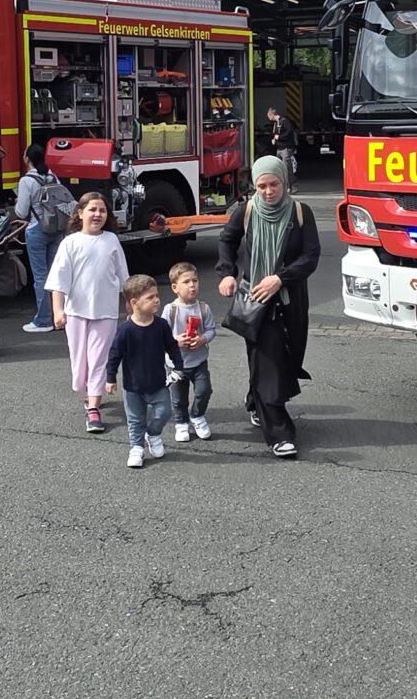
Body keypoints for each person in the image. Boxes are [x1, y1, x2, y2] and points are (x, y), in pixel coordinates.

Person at [217, 154, 319, 458]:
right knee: (268, 362)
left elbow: (311, 256)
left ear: (284, 182)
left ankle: (255, 400)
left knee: (288, 356)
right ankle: (279, 433)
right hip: (257, 299)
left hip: (291, 297)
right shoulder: (246, 210)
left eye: (274, 184)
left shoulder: (300, 212)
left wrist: (280, 278)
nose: (268, 191)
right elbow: (227, 240)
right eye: (261, 186)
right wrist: (227, 273)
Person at [45, 190, 127, 433]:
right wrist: (58, 311)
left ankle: (93, 409)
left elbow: (124, 277)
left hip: (106, 312)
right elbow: (58, 280)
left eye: (102, 210)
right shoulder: (70, 243)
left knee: (99, 359)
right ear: (80, 213)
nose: (97, 214)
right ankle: (89, 390)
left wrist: (132, 305)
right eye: (92, 209)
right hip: (76, 313)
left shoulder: (111, 240)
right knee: (80, 362)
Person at [103, 274, 183, 469]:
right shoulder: (126, 330)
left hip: (158, 383)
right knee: (135, 420)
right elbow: (114, 355)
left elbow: (172, 347)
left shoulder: (161, 326)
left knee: (164, 412)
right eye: (150, 297)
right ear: (134, 303)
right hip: (133, 386)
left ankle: (153, 434)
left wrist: (179, 366)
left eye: (157, 296)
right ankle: (136, 447)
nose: (156, 300)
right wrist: (110, 378)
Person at [13, 144, 75, 333]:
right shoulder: (52, 176)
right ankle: (59, 317)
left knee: (40, 277)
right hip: (56, 229)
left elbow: (21, 211)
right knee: (56, 276)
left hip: (37, 230)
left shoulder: (27, 181)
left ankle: (44, 320)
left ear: (27, 158)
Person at [163, 260, 216, 443]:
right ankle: (181, 423)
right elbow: (162, 335)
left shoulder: (203, 308)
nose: (192, 285)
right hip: (176, 364)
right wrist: (176, 340)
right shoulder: (170, 310)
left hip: (198, 361)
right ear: (175, 287)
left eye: (195, 280)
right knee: (178, 398)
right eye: (186, 282)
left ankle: (197, 416)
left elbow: (211, 330)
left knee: (204, 390)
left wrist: (203, 339)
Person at [266, 107, 299, 180]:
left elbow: (289, 132)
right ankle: (285, 183)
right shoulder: (276, 123)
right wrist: (274, 139)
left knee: (286, 167)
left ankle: (291, 184)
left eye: (269, 116)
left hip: (286, 148)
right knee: (280, 167)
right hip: (279, 148)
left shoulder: (284, 121)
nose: (269, 119)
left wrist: (279, 137)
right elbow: (276, 134)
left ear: (272, 115)